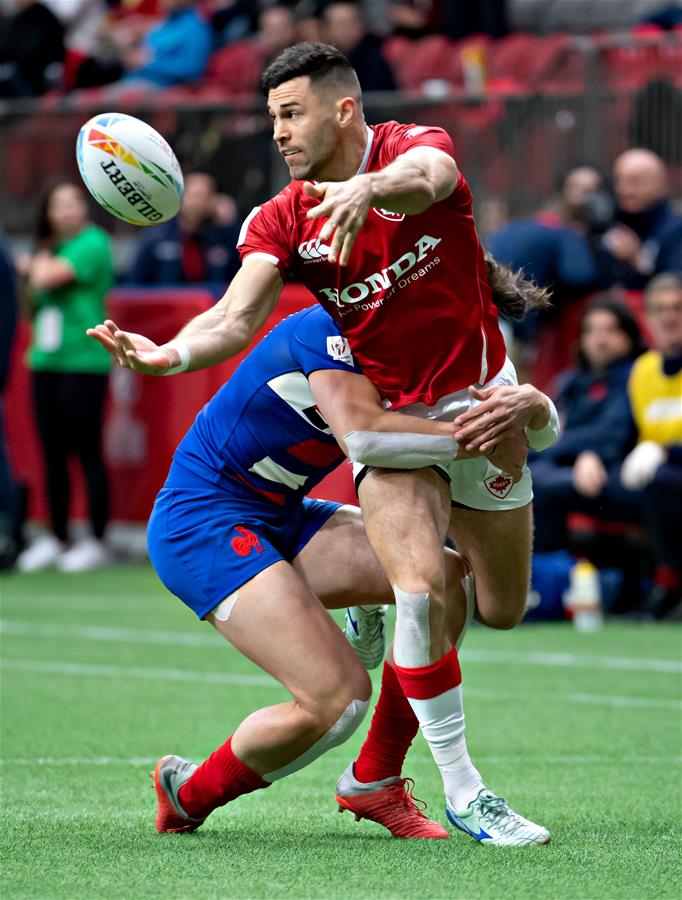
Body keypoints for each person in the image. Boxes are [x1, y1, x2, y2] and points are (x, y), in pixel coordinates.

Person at [89, 42, 558, 845]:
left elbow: (432, 180)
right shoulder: (312, 290)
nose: (276, 132)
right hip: (214, 517)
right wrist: (169, 354)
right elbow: (238, 323)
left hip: (321, 488)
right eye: (270, 116)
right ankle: (201, 794)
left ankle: (374, 772)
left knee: (486, 601)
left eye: (290, 112)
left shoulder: (417, 151)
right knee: (345, 686)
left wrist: (369, 188)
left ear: (344, 109)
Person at [135, 303, 528, 838]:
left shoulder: (424, 339)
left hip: (284, 513)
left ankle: (376, 778)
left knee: (446, 583)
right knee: (338, 701)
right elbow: (363, 436)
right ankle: (189, 793)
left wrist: (534, 407)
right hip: (203, 522)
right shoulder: (328, 329)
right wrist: (489, 435)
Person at [17, 182, 113, 573]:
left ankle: (97, 539)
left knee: (87, 451)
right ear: (49, 212)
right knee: (52, 454)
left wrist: (34, 264)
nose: (70, 210)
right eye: (61, 205)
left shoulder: (94, 242)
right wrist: (35, 266)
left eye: (75, 203)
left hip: (84, 362)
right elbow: (29, 302)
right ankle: (58, 537)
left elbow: (46, 277)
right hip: (45, 361)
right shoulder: (48, 249)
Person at [529, 297, 645, 555]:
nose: (599, 339)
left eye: (610, 330)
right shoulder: (569, 381)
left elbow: (612, 435)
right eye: (591, 330)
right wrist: (575, 451)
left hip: (614, 472)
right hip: (570, 468)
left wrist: (566, 446)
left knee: (536, 483)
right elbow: (534, 438)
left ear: (629, 335)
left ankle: (544, 578)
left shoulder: (636, 374)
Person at [621, 273, 682, 619]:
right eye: (659, 309)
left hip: (668, 472)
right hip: (652, 475)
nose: (668, 317)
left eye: (677, 308)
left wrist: (665, 451)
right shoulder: (643, 371)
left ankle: (668, 583)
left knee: (662, 482)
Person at [126, 172, 240, 291]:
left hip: (212, 305)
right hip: (168, 306)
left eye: (205, 196)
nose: (198, 202)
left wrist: (230, 222)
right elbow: (135, 284)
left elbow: (240, 275)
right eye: (194, 195)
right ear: (181, 196)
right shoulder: (156, 235)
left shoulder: (223, 237)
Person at [602, 149, 682, 290]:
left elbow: (674, 287)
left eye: (635, 182)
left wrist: (639, 261)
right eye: (619, 181)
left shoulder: (675, 229)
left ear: (660, 185)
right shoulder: (607, 222)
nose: (625, 190)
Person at [322, 2, 396, 93]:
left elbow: (378, 100)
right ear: (326, 29)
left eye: (350, 24)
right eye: (340, 25)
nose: (345, 31)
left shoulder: (373, 60)